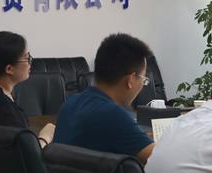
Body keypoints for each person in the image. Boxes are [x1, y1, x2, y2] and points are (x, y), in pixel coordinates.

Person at [53, 33, 154, 164]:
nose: (142, 85)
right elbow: (159, 158)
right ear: (130, 80)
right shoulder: (113, 115)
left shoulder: (69, 104)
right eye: (143, 79)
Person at [0, 31, 55, 145]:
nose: (30, 62)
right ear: (9, 69)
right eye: (27, 58)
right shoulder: (7, 113)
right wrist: (45, 137)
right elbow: (28, 154)